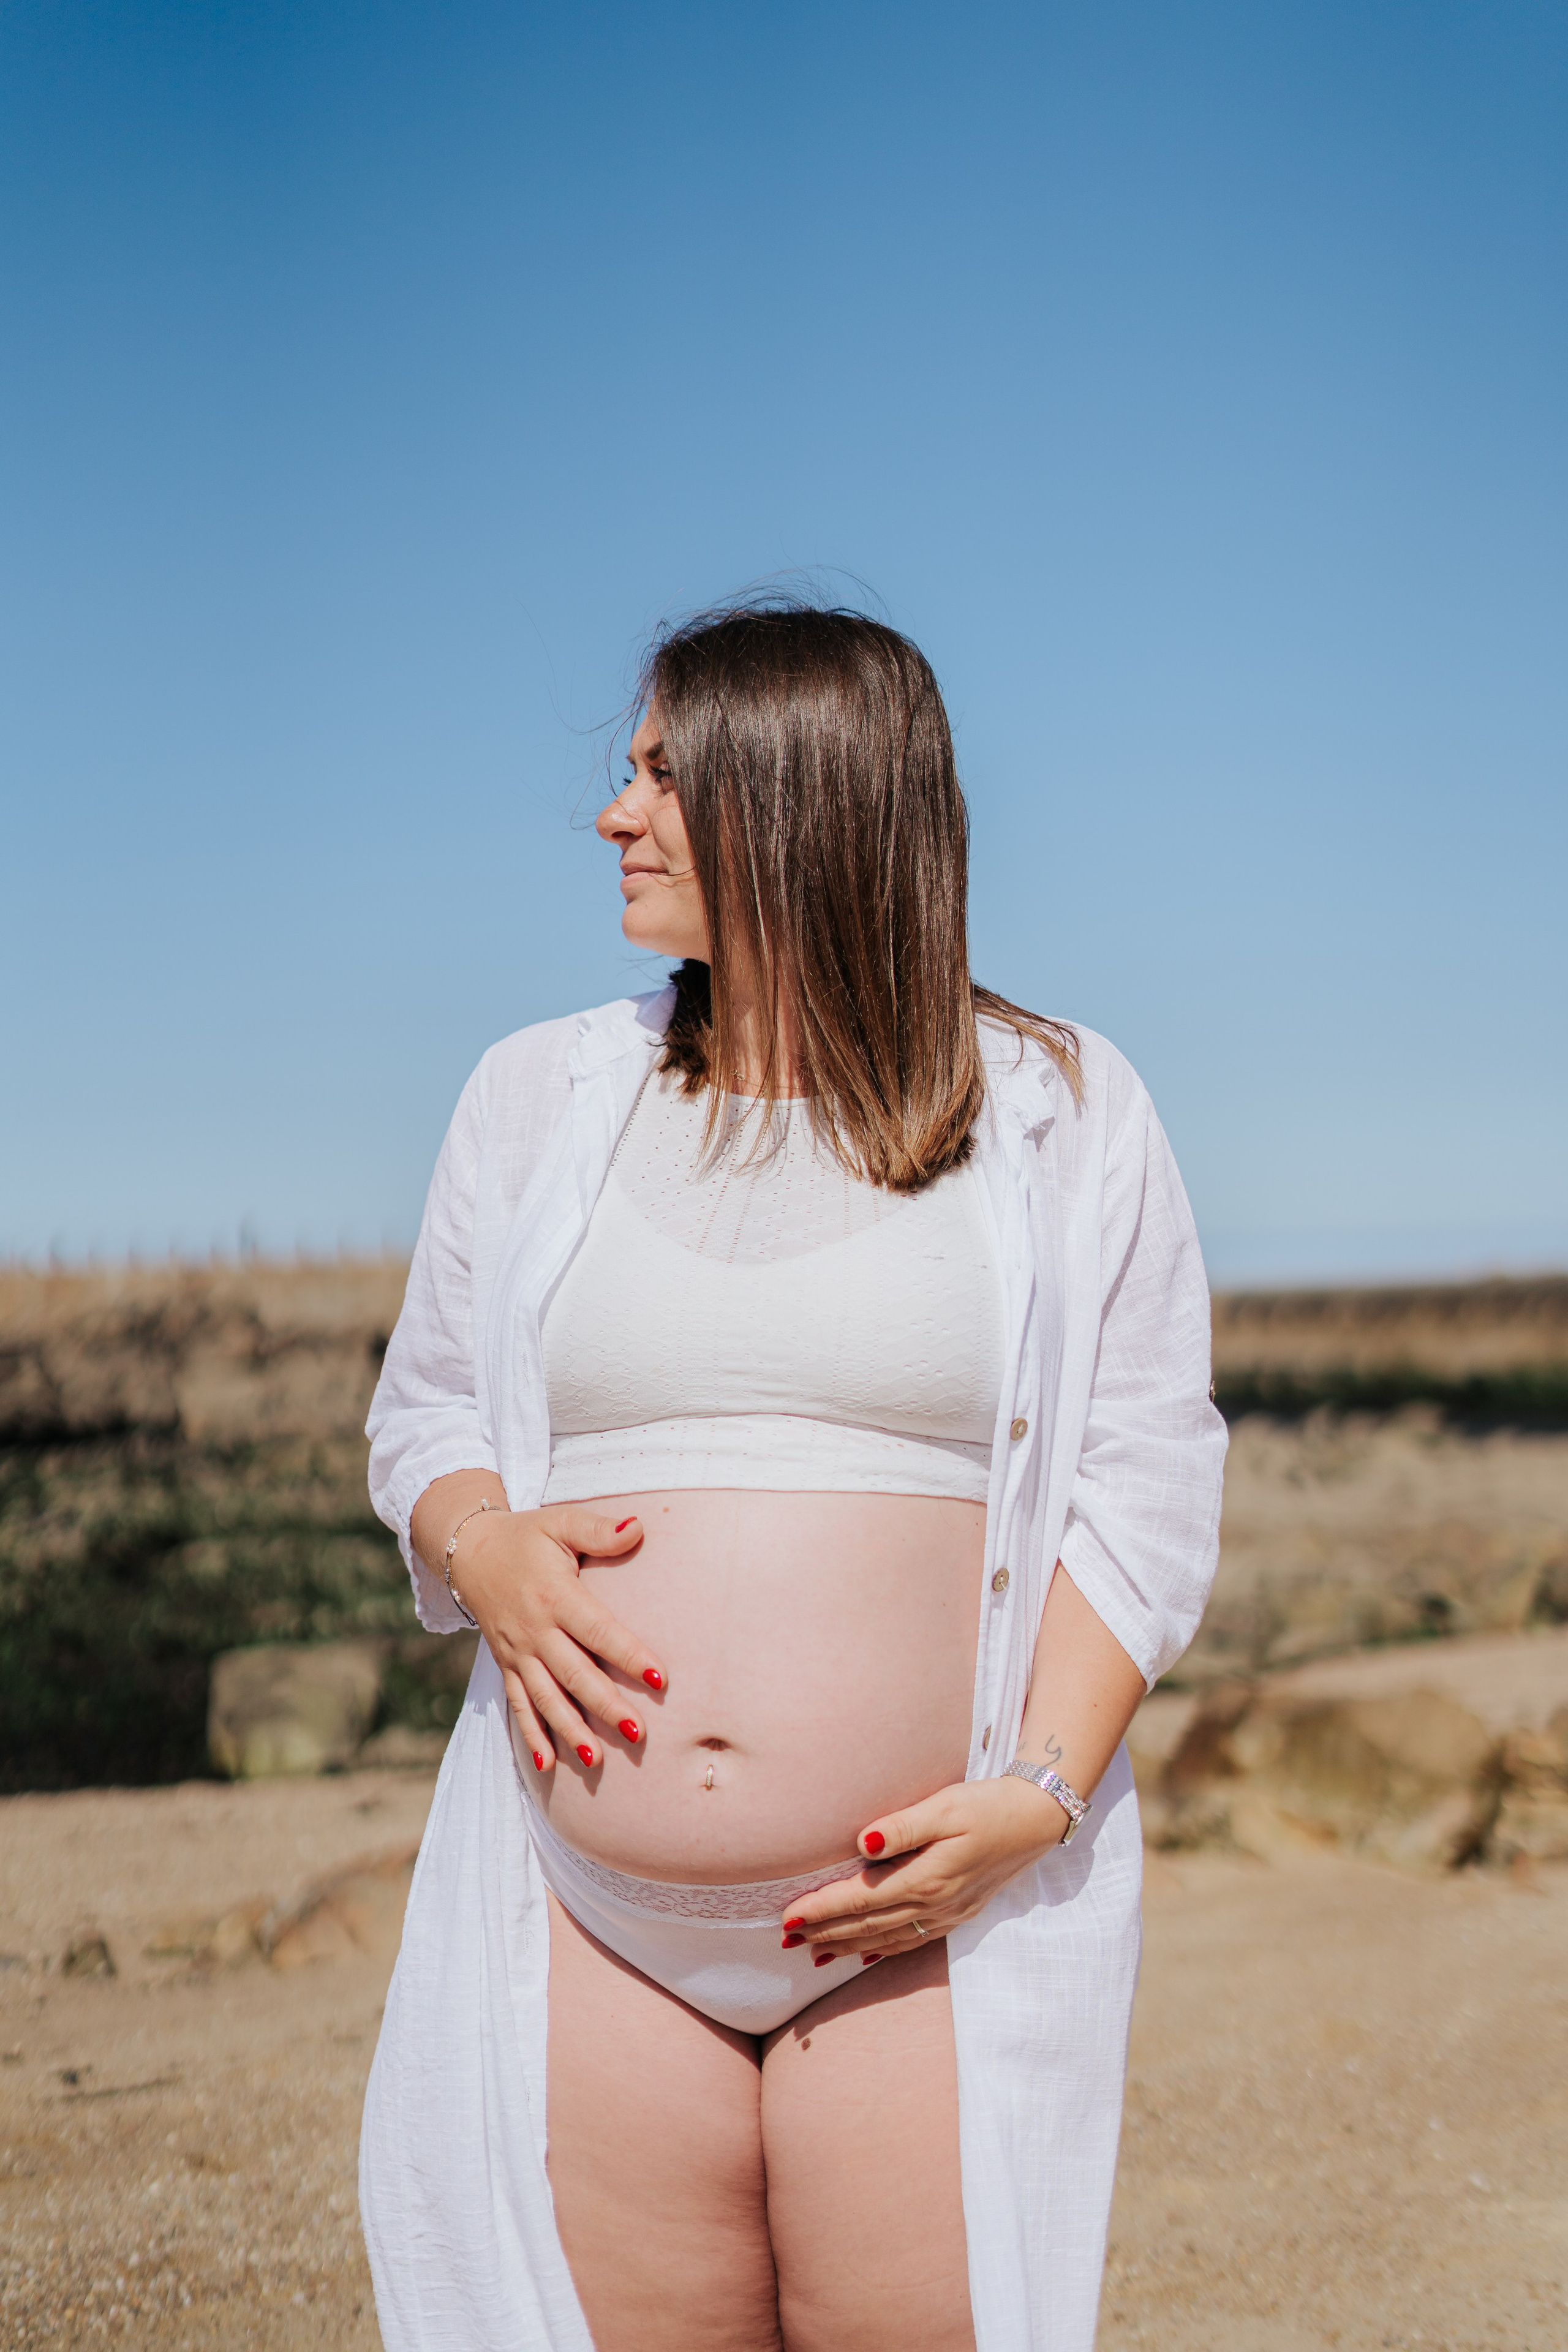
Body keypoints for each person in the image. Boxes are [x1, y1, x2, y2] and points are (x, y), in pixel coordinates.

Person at [360, 603, 1226, 2352]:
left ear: (805, 795)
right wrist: (485, 1548)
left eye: (666, 774)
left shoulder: (1062, 1107)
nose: (616, 813)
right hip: (588, 1923)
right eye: (627, 772)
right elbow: (426, 1409)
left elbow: (1143, 1483)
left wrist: (1040, 1799)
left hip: (927, 1931)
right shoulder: (537, 1096)